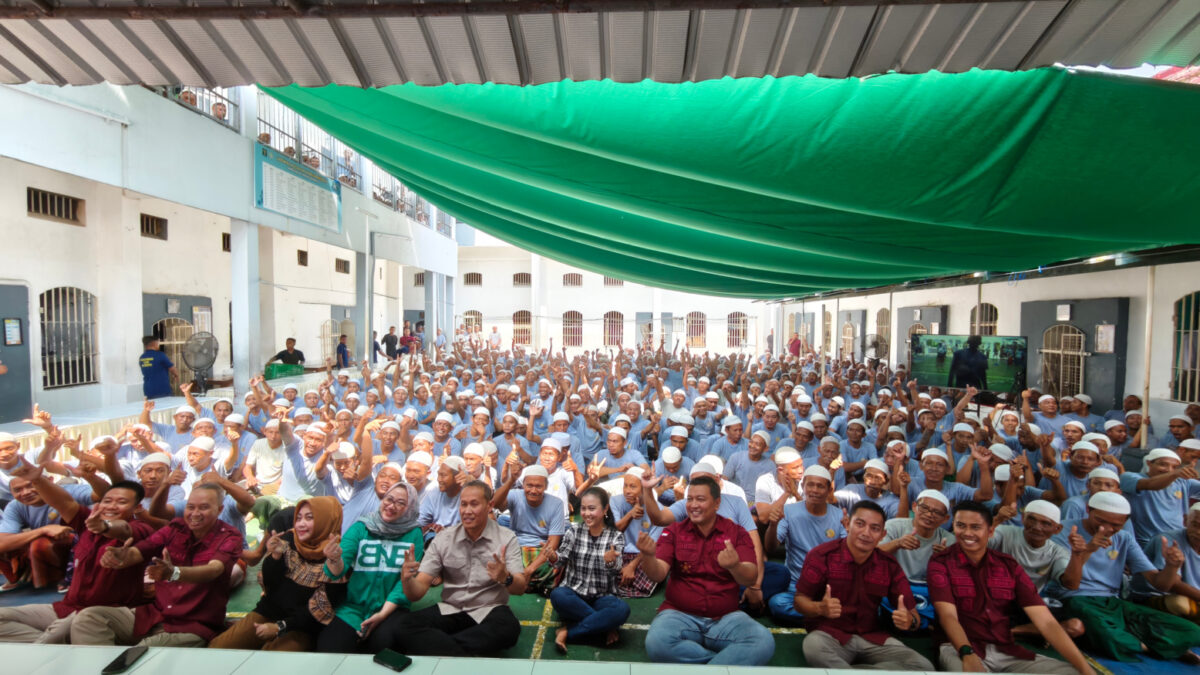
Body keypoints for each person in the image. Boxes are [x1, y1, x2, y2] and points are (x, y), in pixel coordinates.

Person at [928, 500, 1091, 674]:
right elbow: (948, 616)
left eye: (976, 527)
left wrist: (1086, 670)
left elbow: (1046, 621)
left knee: (1073, 673)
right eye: (961, 526)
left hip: (1002, 648)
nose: (967, 533)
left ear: (990, 531)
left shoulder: (1008, 564)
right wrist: (967, 653)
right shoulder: (941, 562)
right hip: (958, 647)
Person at [368, 480, 526, 656]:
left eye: (474, 504)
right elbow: (417, 592)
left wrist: (506, 578)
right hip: (451, 608)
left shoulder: (506, 538)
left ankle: (442, 650)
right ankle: (460, 655)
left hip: (489, 609)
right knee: (404, 625)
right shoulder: (444, 538)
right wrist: (407, 580)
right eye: (463, 504)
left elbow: (520, 588)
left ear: (489, 505)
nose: (467, 511)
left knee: (508, 627)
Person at [0, 464, 151, 643]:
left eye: (122, 502)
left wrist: (104, 526)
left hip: (102, 614)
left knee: (53, 639)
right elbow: (63, 503)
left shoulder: (141, 530)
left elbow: (123, 529)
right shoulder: (88, 522)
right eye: (107, 501)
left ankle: (51, 644)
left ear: (137, 508)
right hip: (66, 607)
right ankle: (53, 645)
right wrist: (37, 480)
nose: (111, 506)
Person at [639, 475, 775, 665]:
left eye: (700, 499)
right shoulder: (674, 531)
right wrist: (648, 556)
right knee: (657, 643)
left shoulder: (736, 532)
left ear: (717, 503)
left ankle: (704, 667)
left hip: (725, 618)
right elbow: (658, 574)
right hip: (679, 615)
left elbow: (751, 578)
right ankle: (720, 666)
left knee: (763, 641)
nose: (693, 505)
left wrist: (735, 566)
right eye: (689, 499)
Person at [86, 483, 243, 646]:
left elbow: (214, 569)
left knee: (140, 653)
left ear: (219, 510)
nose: (195, 514)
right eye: (190, 507)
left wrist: (174, 573)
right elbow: (139, 551)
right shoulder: (175, 528)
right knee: (90, 618)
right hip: (154, 616)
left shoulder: (230, 536)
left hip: (193, 626)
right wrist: (120, 557)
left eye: (203, 508)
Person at [1052, 491, 1200, 662]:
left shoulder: (1124, 538)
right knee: (1112, 637)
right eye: (1100, 521)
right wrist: (1088, 550)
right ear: (1088, 509)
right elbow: (1070, 583)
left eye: (1116, 524)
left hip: (1113, 602)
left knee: (1193, 631)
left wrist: (1172, 567)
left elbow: (1159, 583)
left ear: (1125, 521)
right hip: (1074, 599)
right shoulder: (1065, 531)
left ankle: (1144, 644)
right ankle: (1160, 647)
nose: (1107, 529)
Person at [795, 500, 933, 670]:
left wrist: (910, 621)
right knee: (814, 647)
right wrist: (820, 608)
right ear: (847, 524)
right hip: (830, 635)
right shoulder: (821, 556)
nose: (866, 533)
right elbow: (799, 600)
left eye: (874, 528)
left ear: (882, 535)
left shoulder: (888, 565)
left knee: (922, 666)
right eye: (860, 524)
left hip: (872, 637)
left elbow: (913, 615)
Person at [209, 496, 347, 650]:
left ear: (325, 520)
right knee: (218, 648)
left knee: (272, 660)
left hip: (302, 628)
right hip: (269, 612)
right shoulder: (289, 539)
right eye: (298, 518)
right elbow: (269, 585)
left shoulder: (337, 555)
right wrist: (274, 557)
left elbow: (320, 609)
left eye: (309, 518)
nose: (301, 524)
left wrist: (280, 627)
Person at [317, 483, 423, 653]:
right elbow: (337, 571)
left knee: (382, 647)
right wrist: (334, 559)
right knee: (328, 649)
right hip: (354, 609)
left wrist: (382, 615)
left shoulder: (414, 533)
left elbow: (403, 585)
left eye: (401, 503)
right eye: (389, 499)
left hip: (391, 611)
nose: (391, 506)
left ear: (410, 508)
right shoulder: (361, 527)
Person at [548, 487, 630, 653]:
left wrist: (610, 563)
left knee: (622, 610)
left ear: (605, 509)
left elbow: (616, 572)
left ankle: (568, 632)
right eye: (583, 509)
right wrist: (553, 557)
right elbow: (561, 560)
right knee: (558, 595)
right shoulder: (574, 531)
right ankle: (604, 627)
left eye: (592, 509)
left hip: (602, 597)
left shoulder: (616, 536)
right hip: (574, 595)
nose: (586, 514)